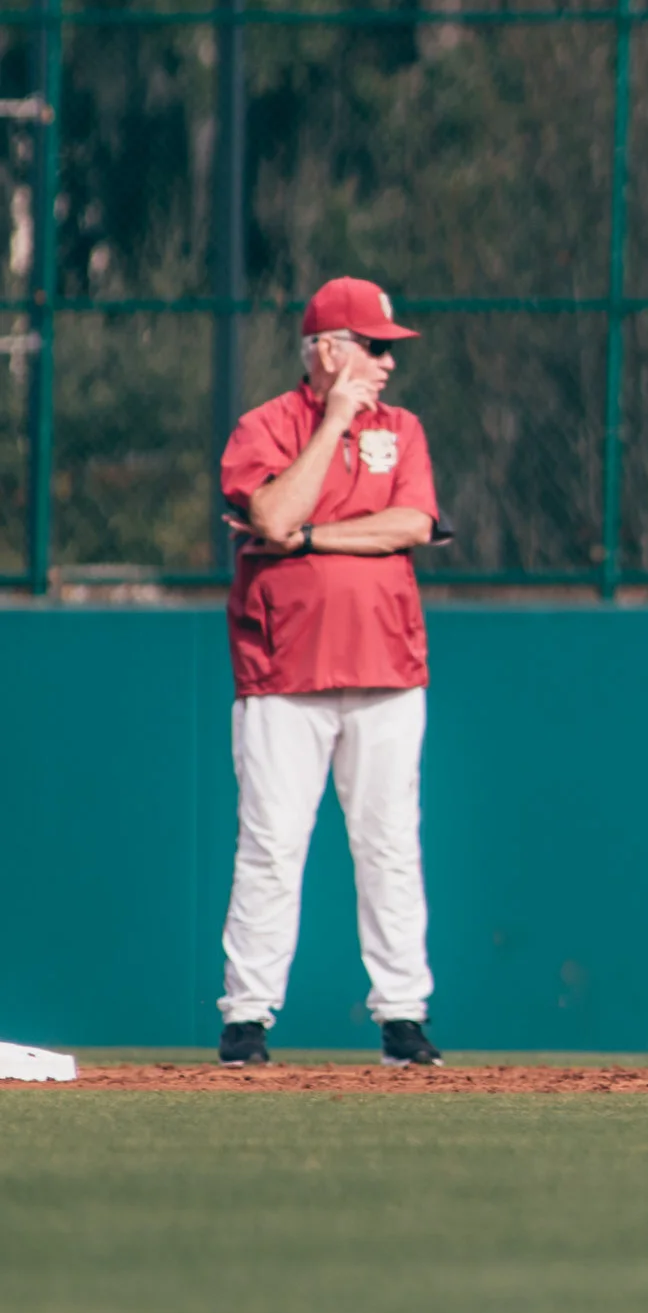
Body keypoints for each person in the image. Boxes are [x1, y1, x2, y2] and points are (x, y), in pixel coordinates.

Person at [212, 278, 444, 1068]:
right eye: (373, 346)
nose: (386, 362)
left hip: (386, 663)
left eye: (387, 349)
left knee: (389, 844)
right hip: (283, 667)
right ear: (328, 350)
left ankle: (402, 1018)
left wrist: (310, 539)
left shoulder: (403, 429)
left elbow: (413, 523)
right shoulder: (266, 425)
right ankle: (247, 1019)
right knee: (273, 844)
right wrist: (335, 421)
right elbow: (269, 514)